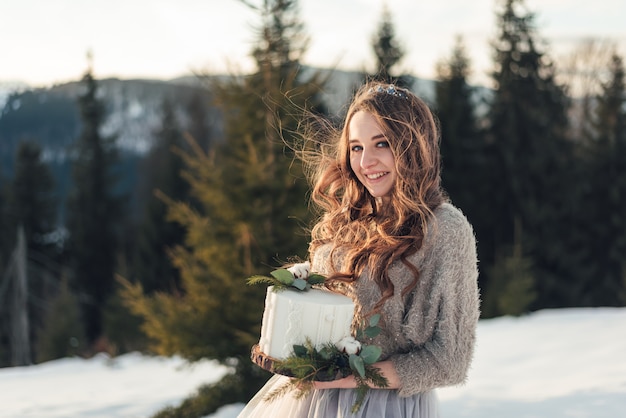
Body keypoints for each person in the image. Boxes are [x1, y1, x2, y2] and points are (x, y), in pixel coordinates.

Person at [238, 81, 480, 417]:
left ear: (412, 146)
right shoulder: (346, 217)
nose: (366, 161)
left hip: (385, 406)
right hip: (309, 401)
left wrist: (349, 378)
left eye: (381, 143)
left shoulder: (446, 230)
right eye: (355, 147)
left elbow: (450, 361)